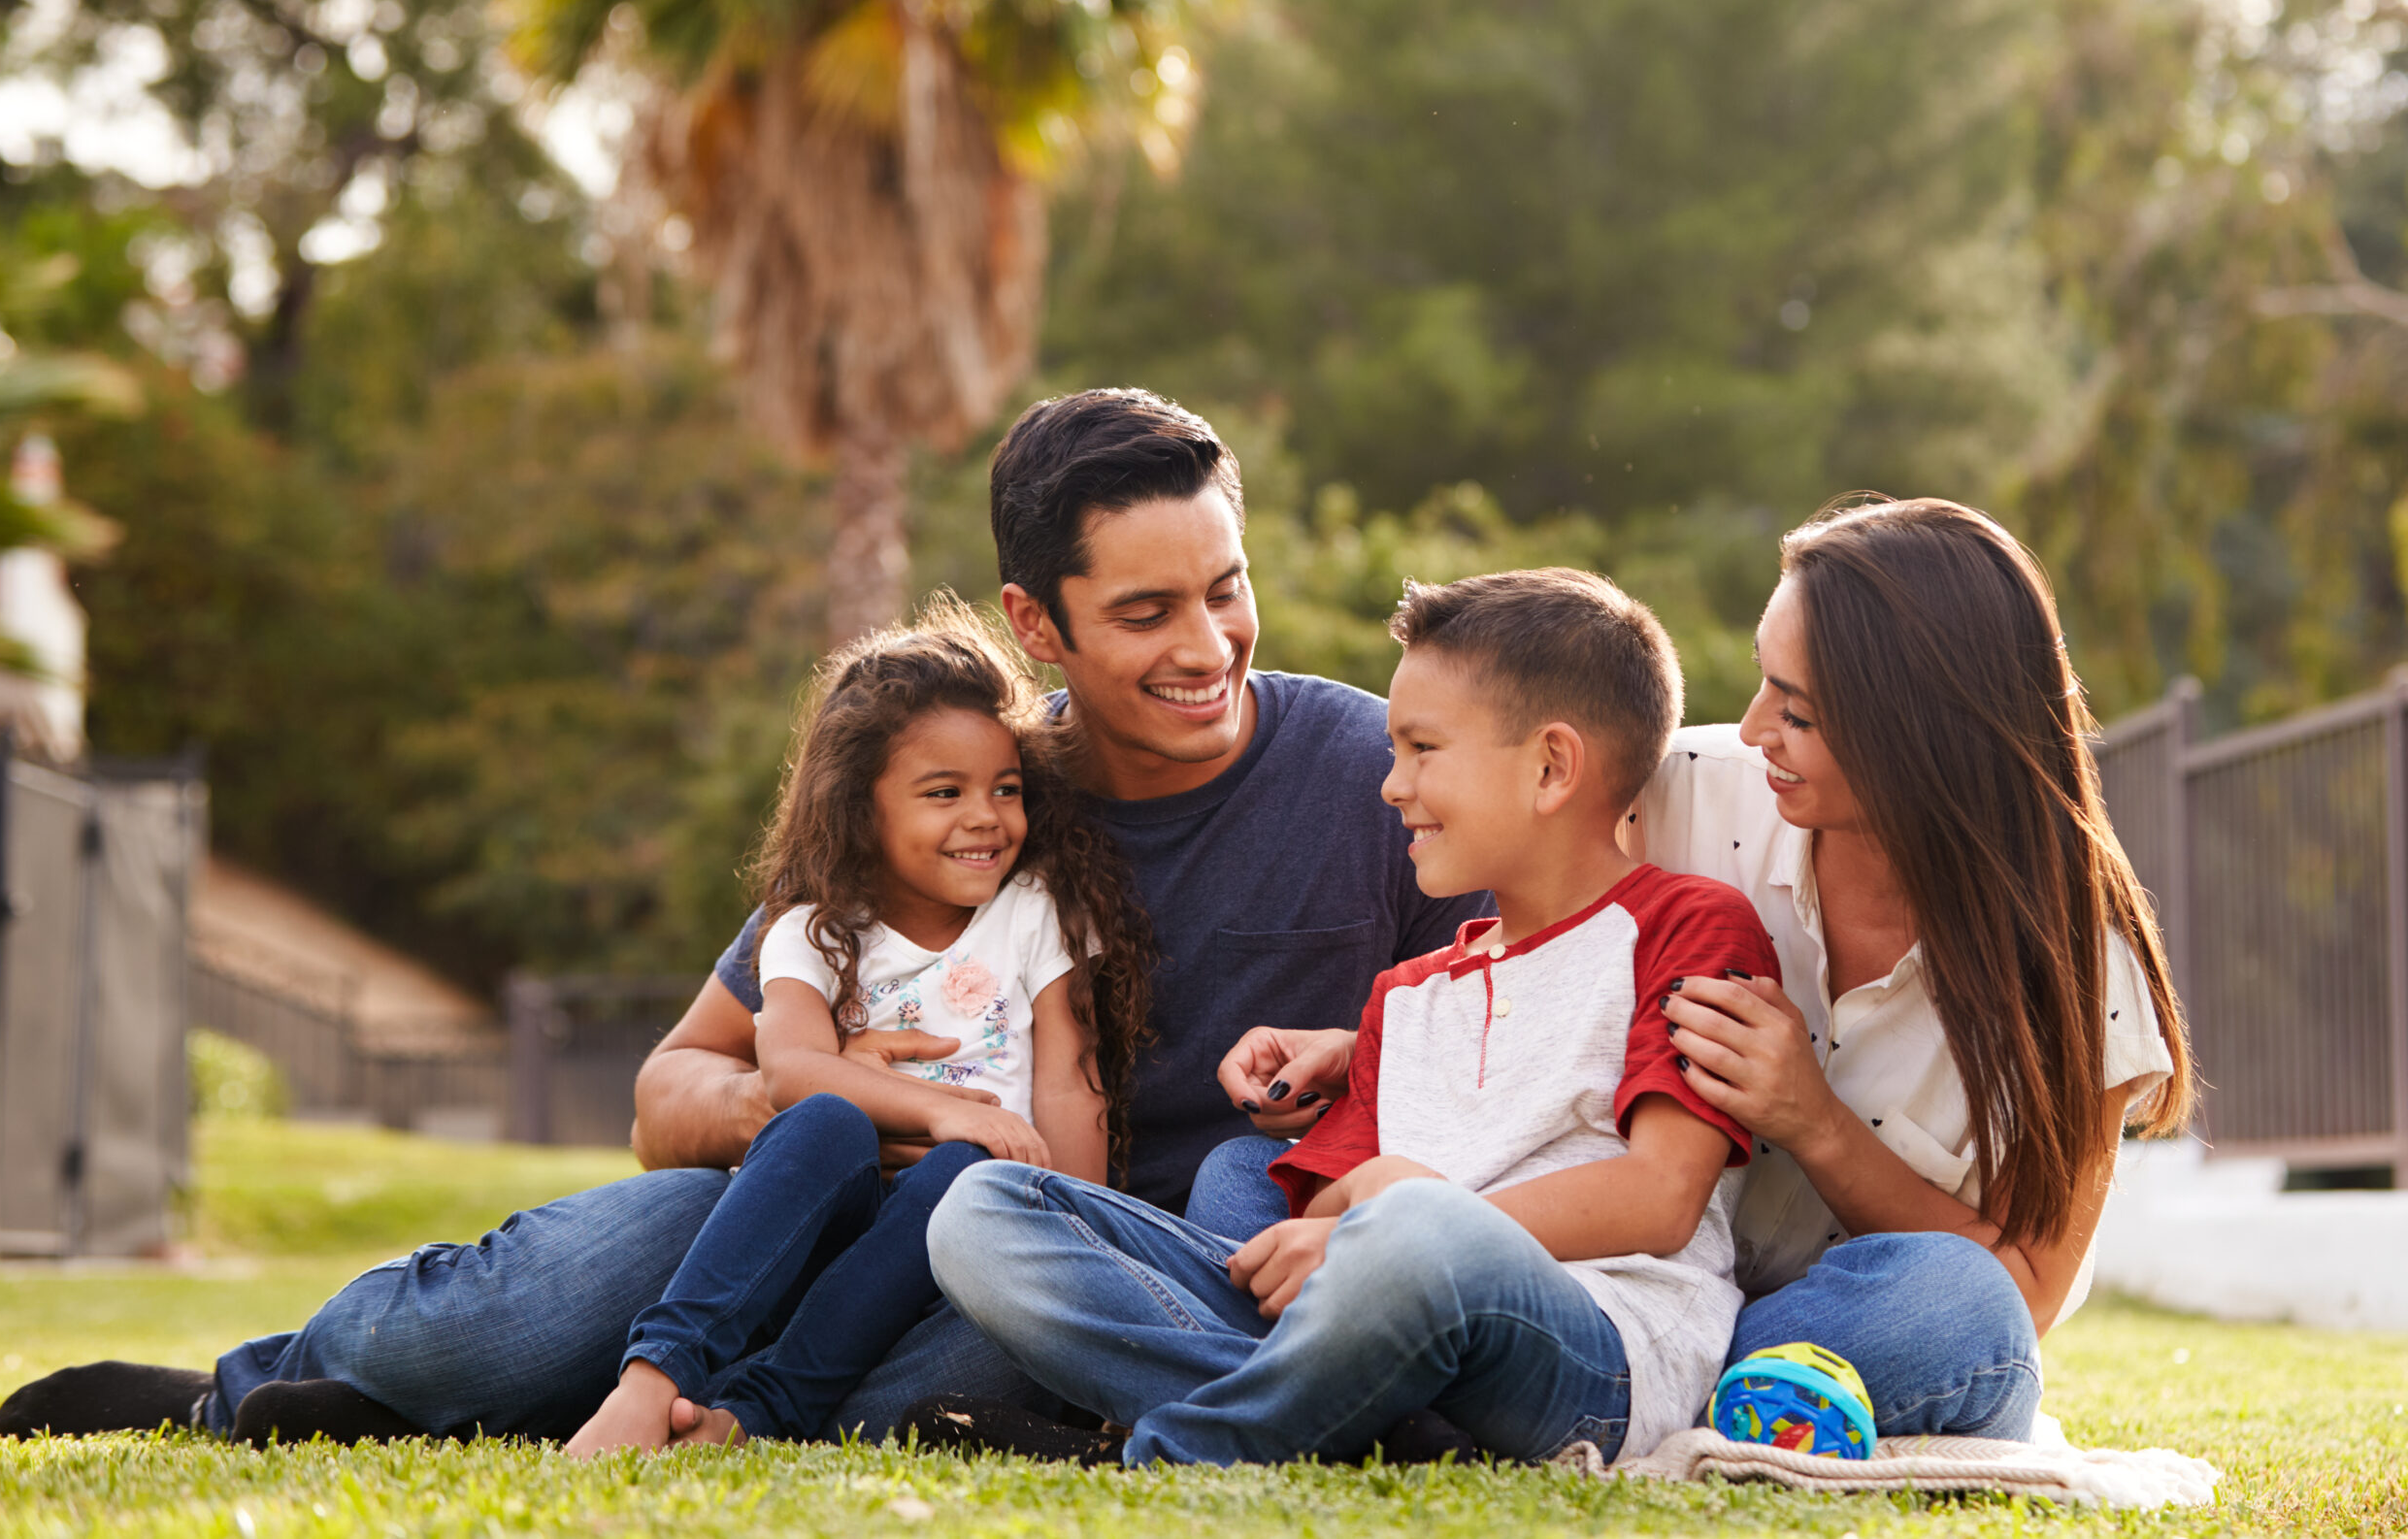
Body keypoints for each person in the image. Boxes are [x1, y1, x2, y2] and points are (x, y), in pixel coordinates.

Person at [0, 388, 1487, 1446]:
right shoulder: (962, 788)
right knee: (530, 1299)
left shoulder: (1375, 773)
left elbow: (1502, 1036)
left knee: (938, 1372)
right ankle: (271, 1382)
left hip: (1089, 1269)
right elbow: (669, 1092)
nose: (1210, 645)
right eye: (1147, 612)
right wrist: (878, 1108)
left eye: (1228, 590)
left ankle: (509, 1416)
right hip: (833, 1192)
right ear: (1040, 625)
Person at [1208, 498, 2194, 1444]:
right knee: (1250, 1181)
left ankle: (1483, 1387)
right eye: (1765, 684)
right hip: (1585, 1275)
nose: (1756, 727)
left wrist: (1815, 1123)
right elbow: (1531, 959)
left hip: (1798, 1332)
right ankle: (1489, 1379)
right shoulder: (1685, 788)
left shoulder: (2077, 966)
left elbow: (2026, 1290)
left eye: (1797, 712)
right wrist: (1378, 1051)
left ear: (1919, 735)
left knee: (1955, 1308)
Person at [914, 568, 1782, 1467]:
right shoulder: (1406, 994)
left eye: (1421, 749)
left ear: (1552, 766)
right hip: (1375, 1311)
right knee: (983, 1211)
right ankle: (1369, 1430)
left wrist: (1401, 1200)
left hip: (1594, 1343)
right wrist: (1357, 1212)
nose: (1390, 785)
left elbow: (1661, 1196)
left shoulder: (1687, 924)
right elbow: (1321, 1208)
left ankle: (1175, 1447)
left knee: (1420, 1229)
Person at [563, 602, 1154, 1457]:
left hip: (949, 1238)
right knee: (828, 1120)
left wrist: (1074, 1219)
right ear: (861, 807)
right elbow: (796, 1068)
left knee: (967, 1171)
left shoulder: (1036, 912)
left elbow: (1070, 1073)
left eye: (1006, 788)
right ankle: (651, 1380)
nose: (986, 815)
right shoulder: (811, 929)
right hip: (823, 1206)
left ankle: (753, 1416)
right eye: (943, 793)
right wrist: (940, 1107)